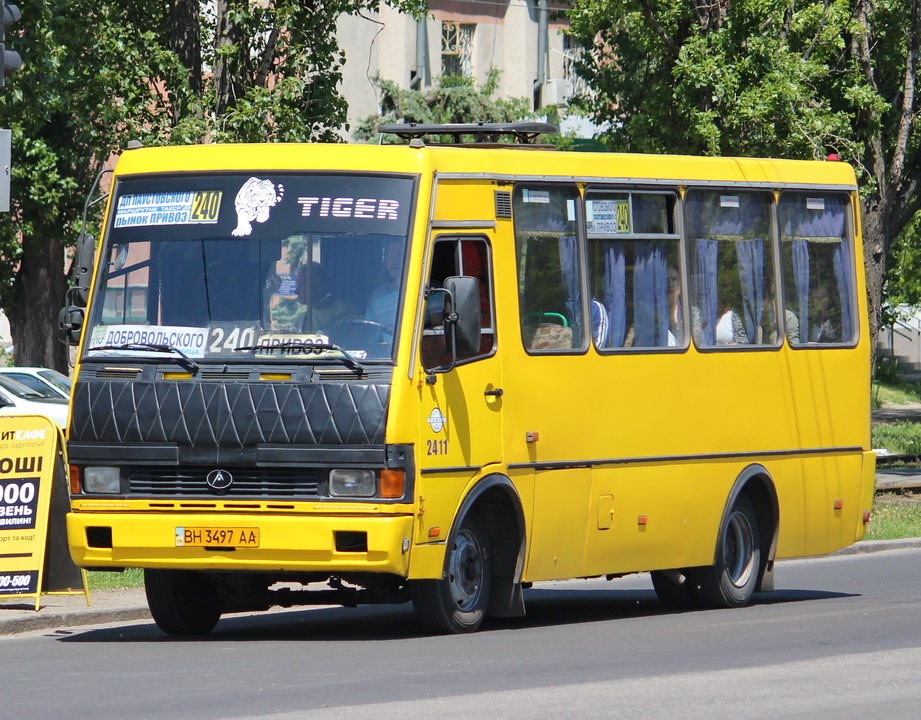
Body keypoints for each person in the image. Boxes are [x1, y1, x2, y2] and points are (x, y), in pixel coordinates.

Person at [293, 262, 357, 333]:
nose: (296, 291)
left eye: (301, 286)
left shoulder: (345, 311)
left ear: (318, 286)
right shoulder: (301, 320)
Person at [365, 240, 404, 333]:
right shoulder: (377, 295)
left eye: (401, 255)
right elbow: (369, 332)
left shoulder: (428, 290)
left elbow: (437, 331)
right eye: (391, 256)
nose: (394, 261)